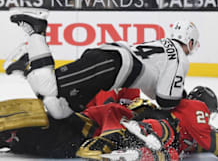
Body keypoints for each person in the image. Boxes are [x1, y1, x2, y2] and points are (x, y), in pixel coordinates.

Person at [8, 7, 199, 119]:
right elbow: (166, 100)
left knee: (59, 109)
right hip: (108, 65)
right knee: (48, 87)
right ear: (189, 42)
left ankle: (28, 64)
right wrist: (184, 100)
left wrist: (178, 94)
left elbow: (153, 88)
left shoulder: (162, 45)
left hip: (110, 69)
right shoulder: (180, 57)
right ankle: (37, 31)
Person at [0, 86, 218, 160]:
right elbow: (213, 143)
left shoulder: (192, 131)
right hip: (110, 124)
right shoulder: (192, 109)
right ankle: (138, 139)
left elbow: (204, 141)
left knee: (170, 154)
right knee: (164, 138)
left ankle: (141, 149)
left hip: (89, 129)